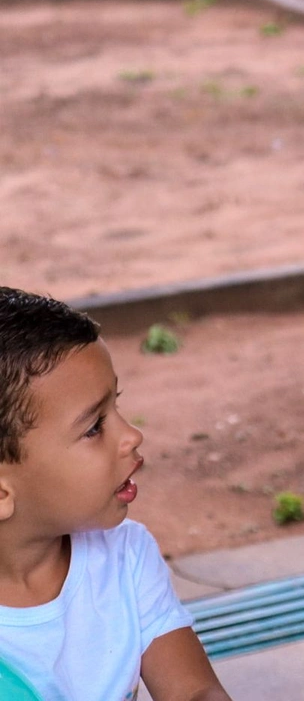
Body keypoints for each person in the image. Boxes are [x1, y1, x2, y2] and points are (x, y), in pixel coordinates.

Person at [0, 287, 231, 701]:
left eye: (116, 409)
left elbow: (194, 691)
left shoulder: (125, 557)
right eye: (93, 428)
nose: (132, 436)